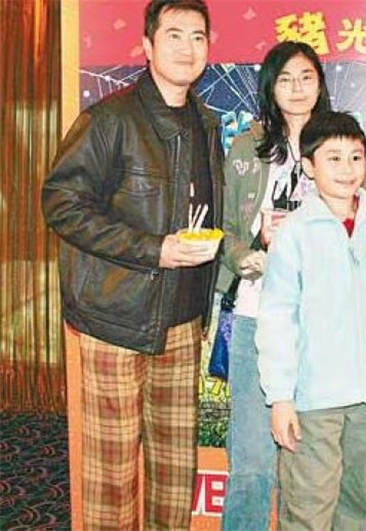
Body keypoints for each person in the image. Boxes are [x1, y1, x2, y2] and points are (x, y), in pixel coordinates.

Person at [41, 1, 222, 529]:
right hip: (116, 318)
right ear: (147, 46)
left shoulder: (207, 122)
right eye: (173, 35)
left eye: (197, 36)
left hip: (182, 320)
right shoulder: (110, 119)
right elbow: (62, 204)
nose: (187, 48)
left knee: (176, 467)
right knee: (112, 473)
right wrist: (154, 249)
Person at [255, 111, 366, 530]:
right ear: (309, 167)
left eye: (355, 157)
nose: (347, 168)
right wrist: (280, 397)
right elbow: (277, 319)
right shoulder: (295, 232)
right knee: (308, 508)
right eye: (333, 158)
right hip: (312, 398)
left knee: (357, 506)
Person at [218, 40, 333, 531]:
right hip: (256, 316)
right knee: (250, 461)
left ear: (320, 84)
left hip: (323, 322)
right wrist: (249, 250)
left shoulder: (341, 143)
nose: (297, 88)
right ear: (270, 87)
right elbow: (223, 229)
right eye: (285, 79)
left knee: (309, 465)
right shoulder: (246, 146)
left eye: (306, 77)